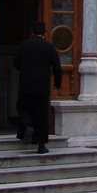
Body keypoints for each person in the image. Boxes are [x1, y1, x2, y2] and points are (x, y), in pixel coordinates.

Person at [13, 20, 61, 154]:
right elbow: (57, 66)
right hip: (42, 87)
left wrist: (25, 71)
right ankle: (41, 145)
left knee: (23, 107)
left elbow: (15, 63)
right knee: (41, 115)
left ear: (32, 33)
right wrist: (57, 83)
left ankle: (27, 125)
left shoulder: (24, 46)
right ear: (44, 33)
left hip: (26, 85)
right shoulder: (48, 47)